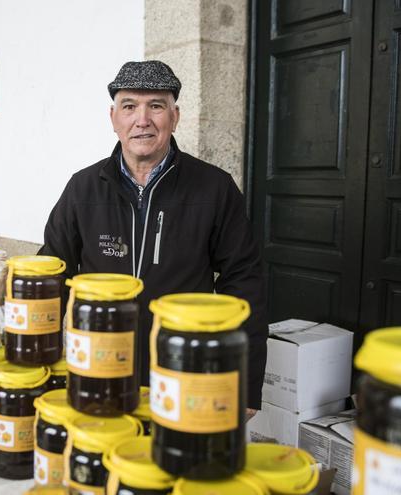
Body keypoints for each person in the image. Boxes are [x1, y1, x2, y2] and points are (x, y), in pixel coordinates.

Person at [39, 61, 268, 413]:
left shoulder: (214, 187)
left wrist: (246, 384)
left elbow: (244, 283)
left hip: (184, 366)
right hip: (100, 365)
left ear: (174, 117)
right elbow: (52, 270)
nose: (142, 120)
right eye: (129, 106)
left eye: (156, 106)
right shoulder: (82, 188)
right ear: (113, 118)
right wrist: (39, 355)